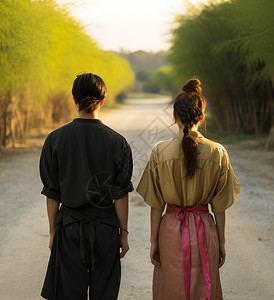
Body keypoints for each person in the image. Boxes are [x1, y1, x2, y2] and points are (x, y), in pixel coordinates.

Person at [137, 78, 240, 300]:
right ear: (201, 117)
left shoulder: (159, 152)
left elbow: (156, 205)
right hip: (205, 226)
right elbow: (220, 207)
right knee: (205, 288)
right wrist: (221, 241)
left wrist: (154, 241)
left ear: (175, 116)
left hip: (171, 230)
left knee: (172, 289)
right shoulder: (218, 152)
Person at [39, 73, 133, 300]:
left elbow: (52, 195)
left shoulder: (55, 139)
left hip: (69, 230)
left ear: (74, 100)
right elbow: (120, 195)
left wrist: (53, 232)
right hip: (105, 230)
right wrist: (123, 234)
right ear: (102, 101)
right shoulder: (117, 141)